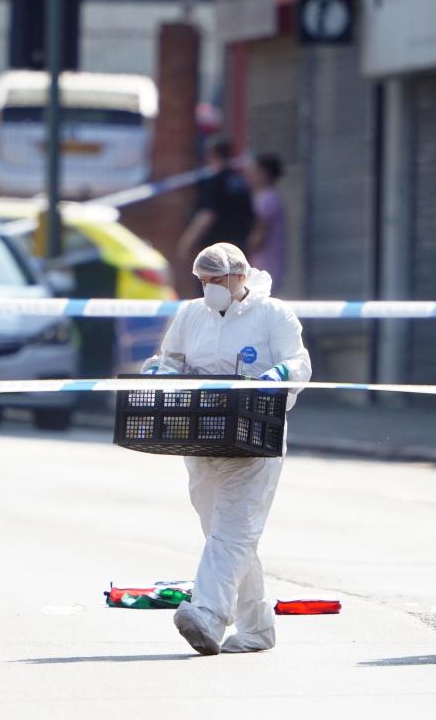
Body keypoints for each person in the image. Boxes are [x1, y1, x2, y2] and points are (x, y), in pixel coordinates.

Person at [143, 242, 312, 655]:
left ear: (240, 276)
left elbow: (300, 362)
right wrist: (161, 372)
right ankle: (256, 630)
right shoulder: (190, 315)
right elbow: (174, 360)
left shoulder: (273, 314)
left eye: (216, 280)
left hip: (255, 438)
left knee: (233, 529)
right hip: (201, 438)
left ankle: (207, 613)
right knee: (225, 533)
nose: (209, 289)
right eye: (203, 281)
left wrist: (279, 374)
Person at [177, 138, 255, 261]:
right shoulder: (240, 182)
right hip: (238, 248)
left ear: (211, 155)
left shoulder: (215, 181)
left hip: (217, 250)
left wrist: (188, 242)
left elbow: (207, 214)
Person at [246, 152, 286, 285]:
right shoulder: (269, 197)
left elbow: (260, 232)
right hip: (271, 260)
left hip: (264, 261)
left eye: (254, 172)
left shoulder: (266, 199)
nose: (250, 176)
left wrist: (245, 250)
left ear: (264, 174)